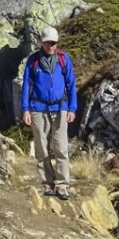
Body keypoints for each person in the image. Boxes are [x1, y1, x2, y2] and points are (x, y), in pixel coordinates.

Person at [20, 26, 77, 199]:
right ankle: (47, 183)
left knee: (61, 147)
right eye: (47, 43)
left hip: (60, 108)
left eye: (53, 43)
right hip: (38, 109)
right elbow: (26, 86)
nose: (50, 46)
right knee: (41, 148)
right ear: (42, 43)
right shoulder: (33, 61)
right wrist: (25, 109)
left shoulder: (63, 60)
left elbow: (71, 85)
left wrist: (72, 108)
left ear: (57, 43)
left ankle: (62, 185)